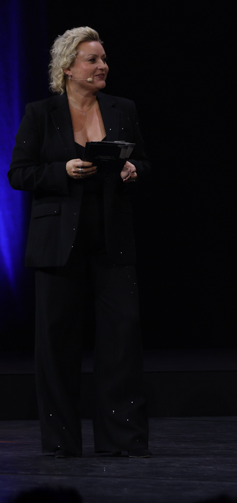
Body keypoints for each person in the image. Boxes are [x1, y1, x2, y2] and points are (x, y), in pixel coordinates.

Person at [8, 27, 150, 458]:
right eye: (93, 59)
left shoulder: (122, 109)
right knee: (57, 345)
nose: (102, 65)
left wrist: (133, 170)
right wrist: (62, 171)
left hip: (111, 239)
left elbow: (143, 160)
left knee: (121, 341)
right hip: (58, 243)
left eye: (103, 58)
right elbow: (19, 173)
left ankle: (122, 439)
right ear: (68, 68)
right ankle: (61, 442)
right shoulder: (41, 113)